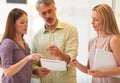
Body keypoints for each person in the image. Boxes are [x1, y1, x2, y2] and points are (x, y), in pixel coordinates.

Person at [31, 0, 79, 83]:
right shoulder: (36, 36)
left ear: (55, 9)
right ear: (39, 14)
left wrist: (60, 54)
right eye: (44, 13)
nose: (48, 15)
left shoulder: (70, 30)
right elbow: (33, 62)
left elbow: (72, 59)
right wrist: (36, 71)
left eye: (50, 11)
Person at [71, 3, 120, 83]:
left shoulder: (113, 40)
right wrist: (77, 64)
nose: (92, 23)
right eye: (92, 19)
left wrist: (103, 73)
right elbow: (89, 70)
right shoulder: (91, 42)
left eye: (96, 20)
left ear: (106, 21)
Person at [0, 8, 44, 83]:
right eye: (22, 22)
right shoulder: (8, 43)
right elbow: (7, 72)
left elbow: (23, 68)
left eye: (27, 22)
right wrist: (28, 58)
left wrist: (35, 71)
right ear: (13, 24)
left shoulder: (24, 42)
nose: (26, 25)